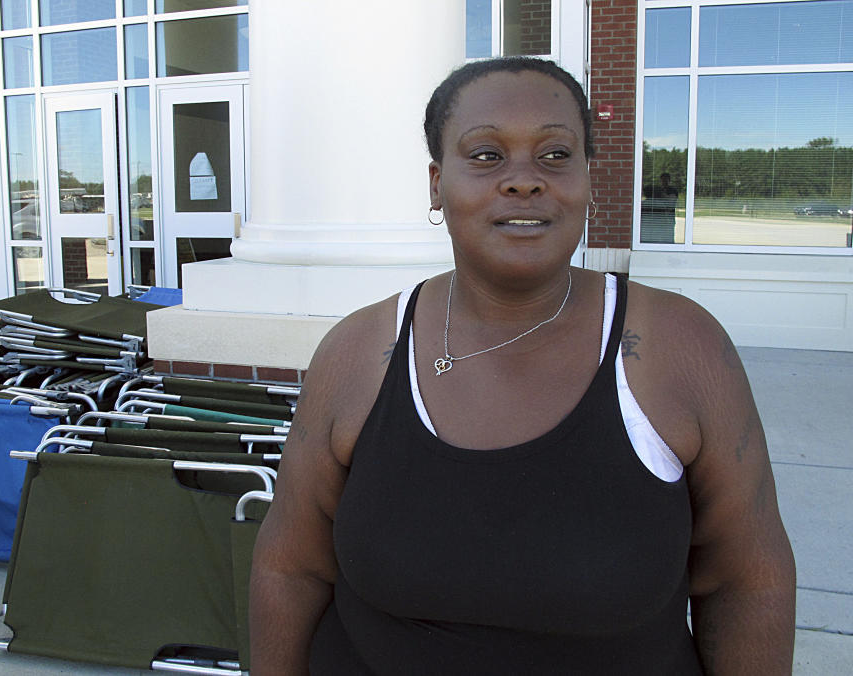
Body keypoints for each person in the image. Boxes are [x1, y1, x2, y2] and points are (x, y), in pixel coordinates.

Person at [250, 57, 795, 675]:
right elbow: (290, 567)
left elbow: (748, 581)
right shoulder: (357, 352)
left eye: (555, 154)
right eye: (485, 155)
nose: (523, 180)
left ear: (587, 175)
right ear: (436, 183)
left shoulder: (681, 346)